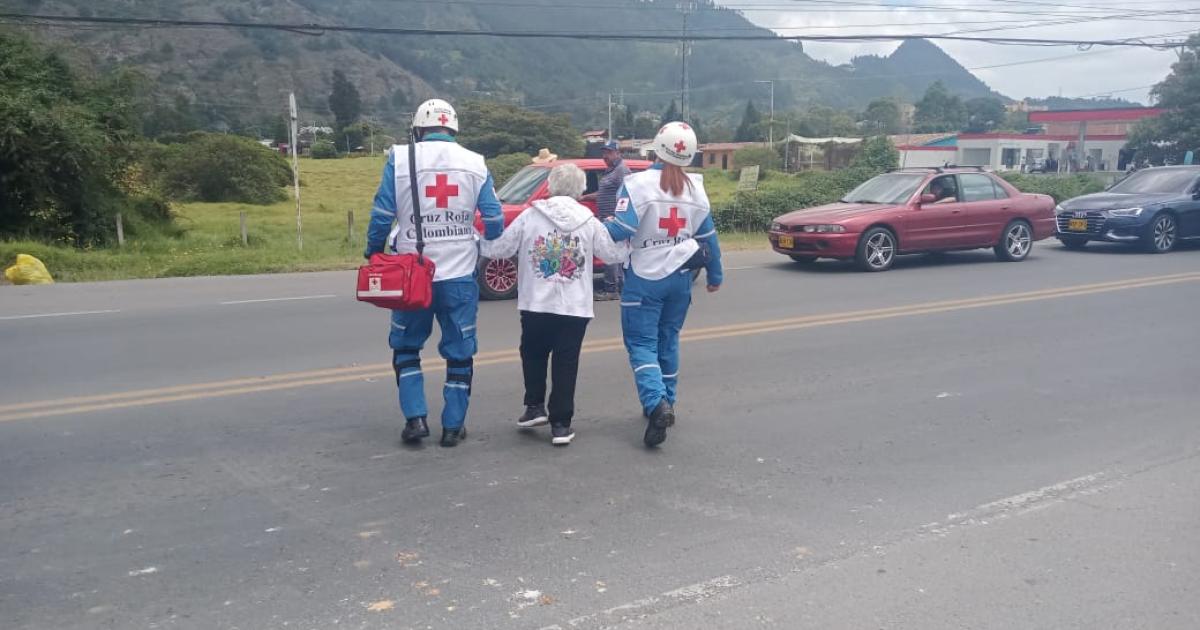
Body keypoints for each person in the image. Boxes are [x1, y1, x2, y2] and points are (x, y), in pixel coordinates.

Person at [364, 99, 506, 448]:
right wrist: (479, 242)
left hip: (412, 274)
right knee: (460, 351)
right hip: (459, 276)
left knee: (406, 347)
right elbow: (495, 220)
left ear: (418, 128)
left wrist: (374, 251)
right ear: (454, 129)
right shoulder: (475, 163)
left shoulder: (400, 158)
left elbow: (383, 214)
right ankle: (453, 427)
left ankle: (415, 420)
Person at [481, 164, 624, 446]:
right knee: (565, 363)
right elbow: (610, 255)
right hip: (574, 307)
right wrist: (631, 242)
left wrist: (475, 241)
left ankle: (534, 406)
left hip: (536, 302)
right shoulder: (589, 220)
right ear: (581, 189)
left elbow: (502, 249)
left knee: (532, 354)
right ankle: (561, 424)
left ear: (551, 185)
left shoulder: (530, 216)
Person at [604, 122, 723, 447]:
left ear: (657, 147)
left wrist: (588, 227)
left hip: (645, 277)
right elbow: (708, 236)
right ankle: (668, 399)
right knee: (668, 340)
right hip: (682, 278)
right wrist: (715, 275)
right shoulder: (696, 188)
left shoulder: (637, 184)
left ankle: (656, 404)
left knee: (642, 343)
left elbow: (620, 230)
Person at [582, 140, 631, 300]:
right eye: (604, 153)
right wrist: (584, 197)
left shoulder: (621, 171)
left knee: (610, 254)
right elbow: (603, 194)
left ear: (618, 153)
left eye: (609, 153)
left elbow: (628, 194)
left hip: (614, 220)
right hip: (606, 219)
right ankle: (620, 287)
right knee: (614, 255)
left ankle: (611, 290)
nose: (605, 156)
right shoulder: (610, 171)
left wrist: (618, 215)